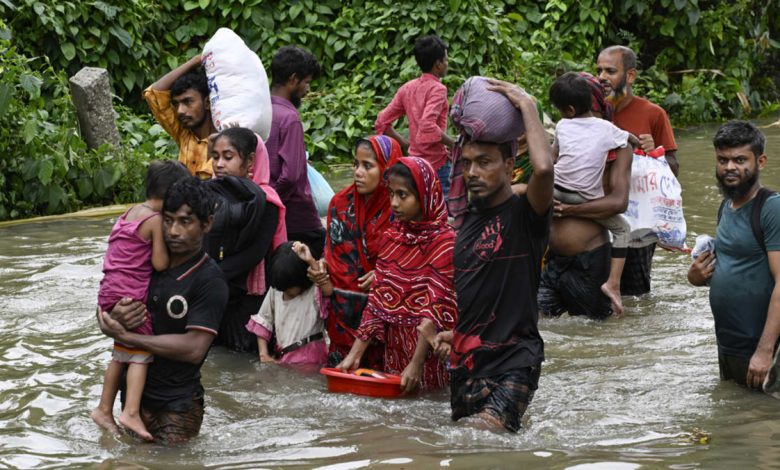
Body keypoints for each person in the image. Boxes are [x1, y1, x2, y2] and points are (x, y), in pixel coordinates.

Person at [441, 79, 554, 432]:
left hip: (515, 359)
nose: (473, 172)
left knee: (476, 439)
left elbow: (545, 170)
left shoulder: (525, 215)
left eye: (485, 162)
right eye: (469, 163)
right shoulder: (465, 223)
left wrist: (527, 105)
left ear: (509, 166)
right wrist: (452, 333)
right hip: (467, 363)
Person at [97, 177, 229, 445]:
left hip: (177, 406)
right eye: (167, 220)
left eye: (184, 221)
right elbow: (108, 302)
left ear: (207, 224)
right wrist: (110, 320)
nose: (173, 231)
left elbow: (194, 349)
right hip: (131, 400)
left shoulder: (209, 280)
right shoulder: (147, 261)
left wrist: (132, 338)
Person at [337, 157, 457, 392]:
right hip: (394, 351)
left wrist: (416, 363)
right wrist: (355, 354)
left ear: (424, 195)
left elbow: (435, 308)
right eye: (391, 194)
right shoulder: (392, 238)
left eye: (403, 195)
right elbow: (377, 301)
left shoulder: (446, 243)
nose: (394, 203)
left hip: (430, 354)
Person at [91, 160, 189, 441]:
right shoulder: (155, 220)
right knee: (140, 353)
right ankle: (130, 411)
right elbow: (158, 263)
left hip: (109, 292)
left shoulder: (128, 213)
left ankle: (103, 409)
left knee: (119, 353)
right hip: (131, 295)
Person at [688, 121, 780, 390]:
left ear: (760, 161)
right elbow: (732, 266)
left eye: (740, 160)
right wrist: (695, 276)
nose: (730, 167)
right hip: (729, 344)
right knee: (735, 419)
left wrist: (764, 351)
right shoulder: (726, 206)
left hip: (762, 349)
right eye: (723, 159)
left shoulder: (770, 208)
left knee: (763, 424)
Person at [538, 73, 634, 320]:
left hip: (587, 263)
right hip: (552, 261)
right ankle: (613, 283)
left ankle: (612, 284)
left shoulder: (618, 149)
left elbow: (619, 202)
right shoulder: (610, 132)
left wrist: (569, 211)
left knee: (595, 329)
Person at [596, 45, 679, 296]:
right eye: (598, 70)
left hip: (638, 220)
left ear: (630, 76)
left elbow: (673, 169)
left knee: (635, 295)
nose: (602, 77)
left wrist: (656, 154)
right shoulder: (592, 112)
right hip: (596, 213)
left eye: (610, 71)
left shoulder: (653, 114)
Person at [317, 136, 403, 368]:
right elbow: (334, 254)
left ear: (387, 169)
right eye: (355, 164)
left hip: (386, 320)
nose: (358, 172)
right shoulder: (339, 204)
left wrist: (384, 274)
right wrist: (321, 267)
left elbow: (412, 261)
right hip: (342, 316)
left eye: (368, 166)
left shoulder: (401, 209)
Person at [206, 128, 280, 352]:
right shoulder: (208, 194)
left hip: (250, 296)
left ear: (250, 161)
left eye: (228, 157)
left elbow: (255, 253)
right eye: (215, 157)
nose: (219, 164)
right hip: (215, 291)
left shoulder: (267, 201)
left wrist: (208, 273)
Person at [375, 35, 455, 199]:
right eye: (446, 59)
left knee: (419, 207)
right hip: (436, 165)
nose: (448, 63)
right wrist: (453, 144)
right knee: (442, 209)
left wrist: (405, 143)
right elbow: (427, 126)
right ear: (438, 64)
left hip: (413, 164)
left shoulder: (408, 88)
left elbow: (382, 121)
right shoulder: (438, 89)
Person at [267, 45, 325, 257]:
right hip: (296, 215)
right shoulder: (290, 119)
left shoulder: (260, 110)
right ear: (293, 79)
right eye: (306, 82)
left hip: (270, 215)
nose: (307, 89)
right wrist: (273, 199)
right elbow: (291, 176)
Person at [246, 241, 331, 365]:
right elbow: (263, 321)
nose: (285, 292)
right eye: (282, 289)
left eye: (289, 288)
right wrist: (263, 354)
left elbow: (328, 291)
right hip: (282, 357)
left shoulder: (315, 290)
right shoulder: (276, 290)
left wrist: (311, 261)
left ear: (303, 279)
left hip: (311, 359)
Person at [143, 55, 216, 178]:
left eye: (188, 101)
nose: (180, 111)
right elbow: (152, 95)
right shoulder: (183, 133)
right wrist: (193, 62)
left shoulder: (225, 140)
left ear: (207, 103)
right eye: (176, 104)